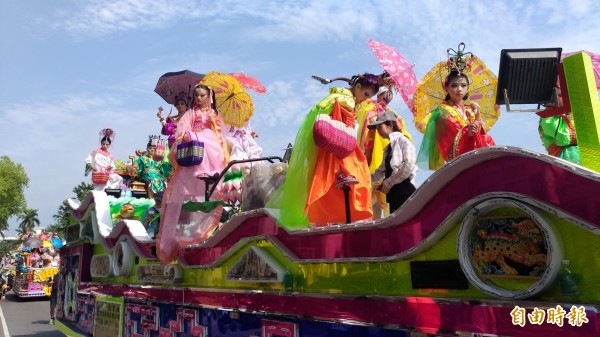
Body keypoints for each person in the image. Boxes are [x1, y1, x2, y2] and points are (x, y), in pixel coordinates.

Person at [268, 73, 386, 227]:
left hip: (327, 147)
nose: (365, 98)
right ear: (357, 87)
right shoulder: (347, 101)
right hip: (336, 148)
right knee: (359, 174)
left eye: (368, 96)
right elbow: (344, 129)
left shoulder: (338, 96)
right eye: (365, 94)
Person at [157, 84, 228, 264]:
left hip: (209, 150)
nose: (198, 98)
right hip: (194, 151)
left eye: (202, 95)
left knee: (211, 143)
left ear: (209, 97)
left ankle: (210, 196)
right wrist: (189, 134)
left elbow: (219, 135)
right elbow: (180, 132)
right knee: (201, 142)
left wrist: (213, 123)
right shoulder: (190, 114)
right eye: (196, 95)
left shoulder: (213, 115)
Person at [417, 70, 495, 170]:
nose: (459, 89)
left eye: (463, 85)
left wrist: (478, 116)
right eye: (454, 85)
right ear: (446, 88)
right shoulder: (442, 111)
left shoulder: (469, 109)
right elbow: (451, 139)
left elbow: (480, 134)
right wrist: (469, 132)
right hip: (460, 161)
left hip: (475, 155)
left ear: (468, 88)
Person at [368, 110, 418, 213]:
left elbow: (408, 165)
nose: (378, 131)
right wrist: (362, 177)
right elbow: (379, 172)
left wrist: (389, 182)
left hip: (405, 192)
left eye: (380, 127)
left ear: (391, 125)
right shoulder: (387, 148)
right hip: (394, 194)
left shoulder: (403, 140)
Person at [538, 85, 581, 164]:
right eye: (561, 95)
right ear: (551, 98)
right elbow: (565, 136)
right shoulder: (547, 117)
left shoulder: (570, 113)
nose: (566, 98)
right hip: (567, 162)